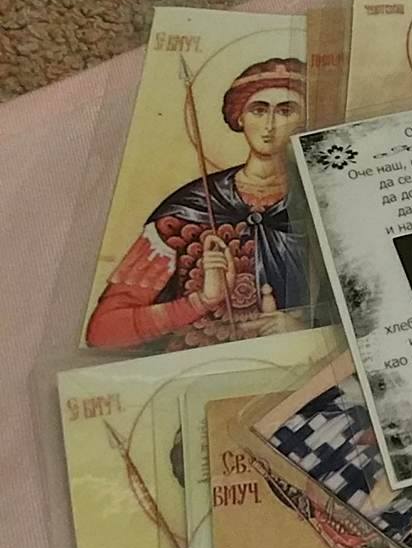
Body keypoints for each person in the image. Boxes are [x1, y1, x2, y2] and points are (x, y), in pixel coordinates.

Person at [86, 57, 309, 349]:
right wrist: (201, 301)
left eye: (285, 111)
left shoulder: (323, 198)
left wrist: (306, 330)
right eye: (258, 110)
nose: (269, 125)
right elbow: (104, 330)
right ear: (240, 118)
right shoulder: (188, 211)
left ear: (304, 121)